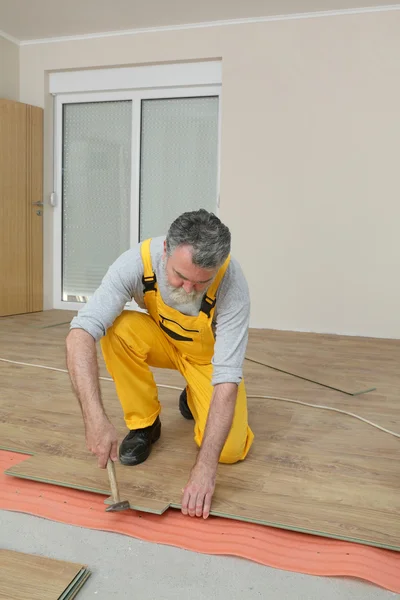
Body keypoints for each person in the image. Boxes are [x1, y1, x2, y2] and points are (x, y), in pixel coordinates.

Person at [66, 209, 254, 519]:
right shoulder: (135, 263)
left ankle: (195, 394)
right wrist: (94, 419)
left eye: (200, 282)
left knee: (230, 452)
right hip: (163, 342)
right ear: (166, 249)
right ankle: (144, 425)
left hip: (206, 360)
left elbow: (227, 379)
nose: (188, 289)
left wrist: (204, 468)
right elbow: (79, 336)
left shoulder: (232, 284)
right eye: (180, 276)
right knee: (117, 329)